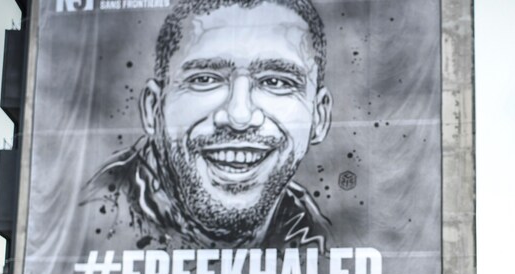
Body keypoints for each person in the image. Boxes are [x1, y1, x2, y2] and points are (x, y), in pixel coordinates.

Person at [85, 0, 334, 252]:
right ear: (153, 110)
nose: (239, 116)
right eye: (204, 79)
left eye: (276, 82)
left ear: (319, 117)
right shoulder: (86, 224)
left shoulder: (317, 241)